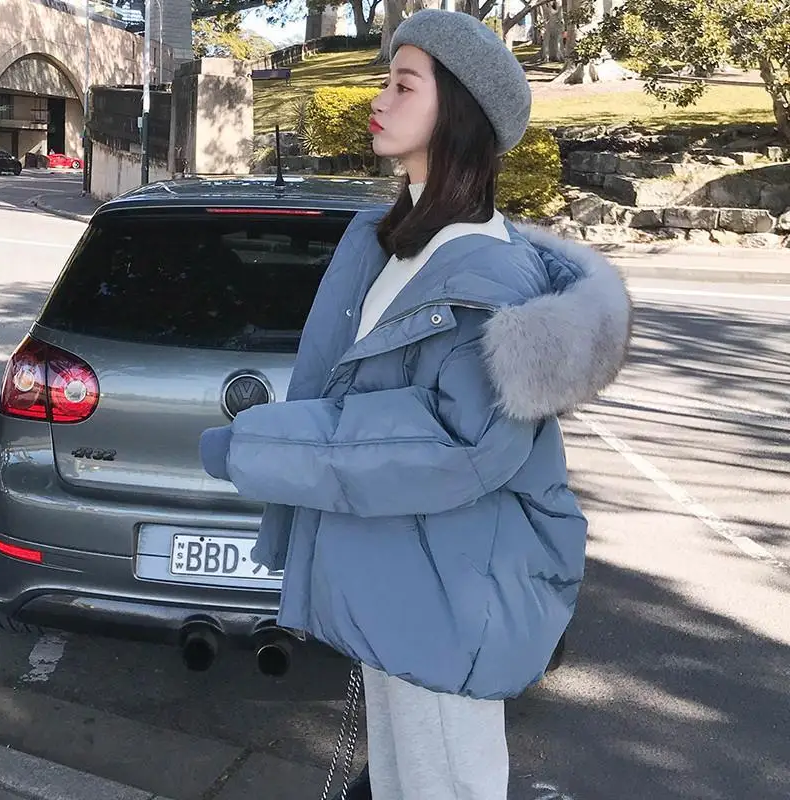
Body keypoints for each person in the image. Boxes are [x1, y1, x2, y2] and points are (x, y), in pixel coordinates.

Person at [200, 9, 631, 800]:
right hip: (395, 577)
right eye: (385, 78)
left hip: (449, 594)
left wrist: (266, 450)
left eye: (405, 83)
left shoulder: (490, 275)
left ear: (458, 112)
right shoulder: (390, 237)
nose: (380, 97)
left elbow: (453, 443)